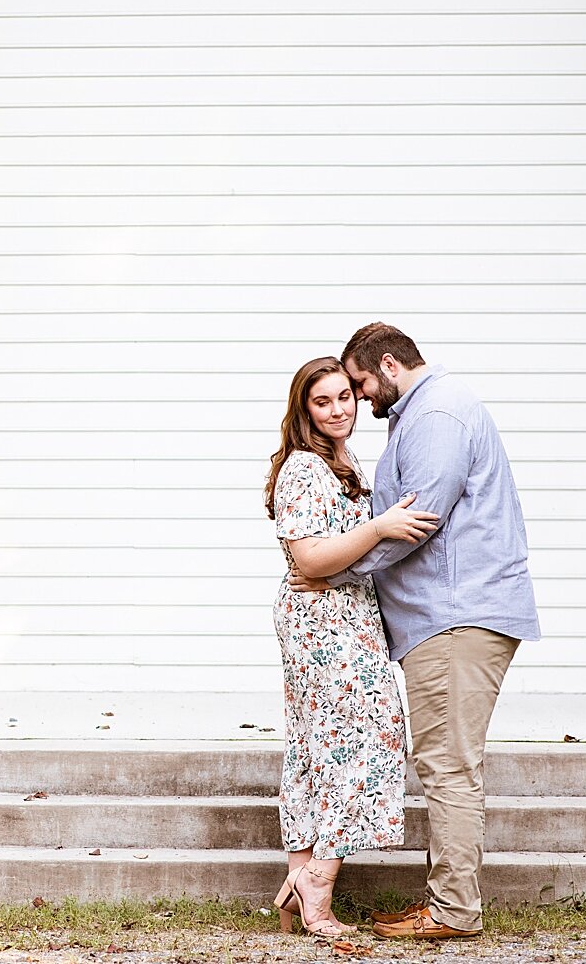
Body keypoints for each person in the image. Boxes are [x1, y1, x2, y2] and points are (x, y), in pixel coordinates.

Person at [291, 323, 542, 941]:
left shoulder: (436, 416)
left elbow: (415, 521)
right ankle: (445, 904)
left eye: (359, 384)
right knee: (444, 762)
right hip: (446, 617)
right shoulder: (427, 412)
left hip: (456, 617)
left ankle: (453, 910)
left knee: (449, 766)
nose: (356, 399)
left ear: (387, 366)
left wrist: (332, 567)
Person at [264, 356, 439, 937]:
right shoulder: (303, 469)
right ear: (303, 409)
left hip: (350, 617)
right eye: (324, 401)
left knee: (322, 745)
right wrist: (379, 527)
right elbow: (309, 558)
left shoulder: (344, 461)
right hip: (323, 625)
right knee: (367, 738)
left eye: (346, 397)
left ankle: (303, 891)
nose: (340, 409)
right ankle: (317, 877)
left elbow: (331, 556)